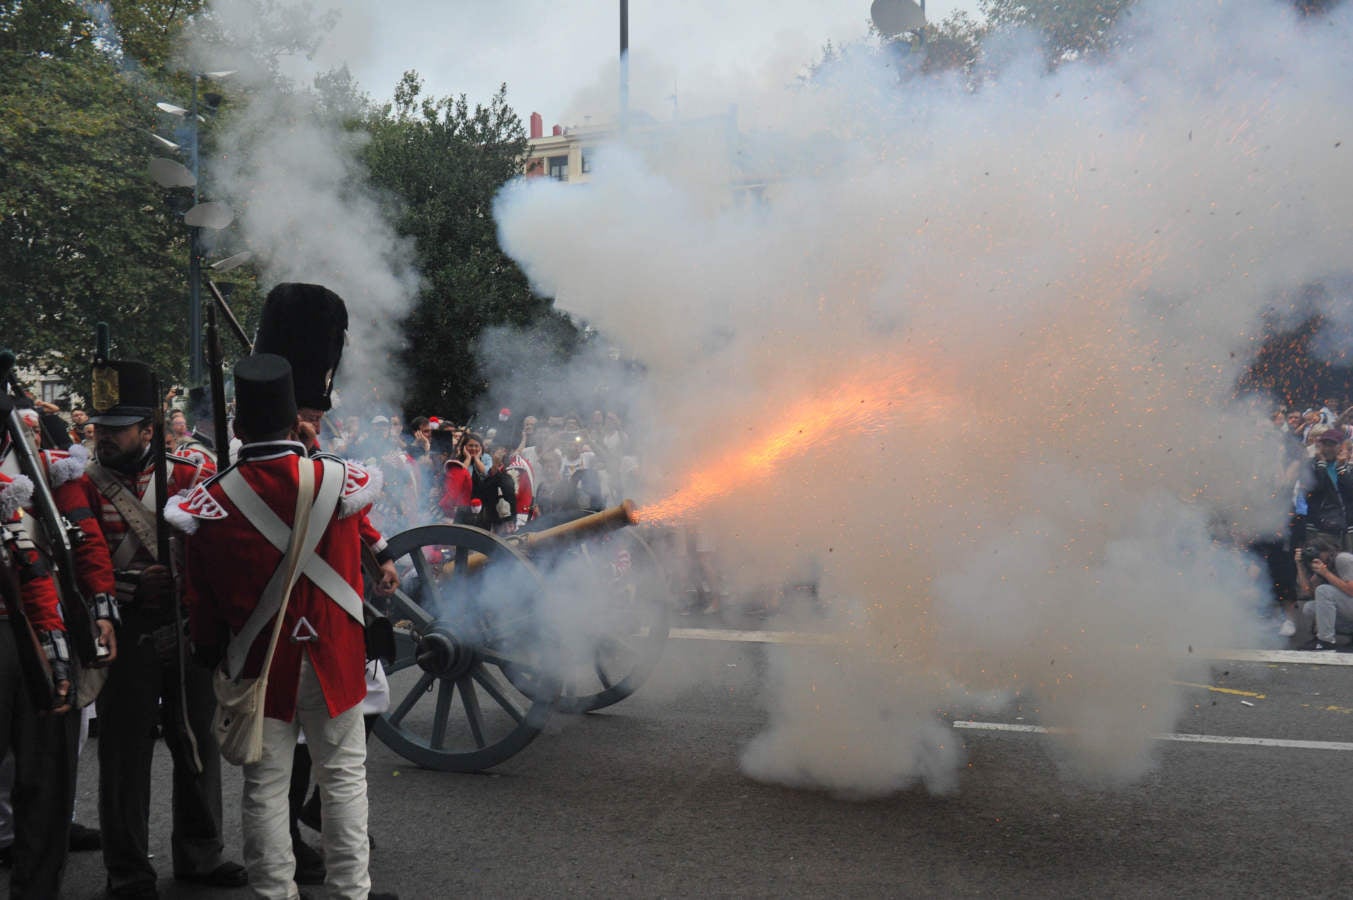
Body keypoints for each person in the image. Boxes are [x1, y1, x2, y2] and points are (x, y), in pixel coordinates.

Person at [175, 354, 397, 900]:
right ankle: (350, 892)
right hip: (336, 655)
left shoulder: (213, 498)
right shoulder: (341, 478)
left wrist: (211, 650)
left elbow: (200, 601)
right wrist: (310, 447)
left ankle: (275, 892)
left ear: (237, 427)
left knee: (265, 786)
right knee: (343, 779)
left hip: (259, 662)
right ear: (295, 421)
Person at [68, 359, 244, 899]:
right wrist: (129, 588)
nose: (104, 437)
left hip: (185, 626)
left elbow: (214, 548)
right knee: (124, 752)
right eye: (100, 427)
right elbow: (78, 558)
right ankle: (127, 869)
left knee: (196, 743)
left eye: (116, 428)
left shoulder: (190, 473)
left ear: (148, 428)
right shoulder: (81, 484)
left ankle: (199, 852)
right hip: (124, 628)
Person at [1293, 536, 1353, 650]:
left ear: (1328, 550)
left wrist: (1326, 574)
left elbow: (1351, 591)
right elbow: (1307, 591)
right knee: (1310, 607)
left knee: (1324, 590)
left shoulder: (1343, 559)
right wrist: (1299, 565)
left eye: (1317, 552)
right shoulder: (1323, 565)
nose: (1315, 557)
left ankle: (1326, 642)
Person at [1301, 427, 1353, 551]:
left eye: (1332, 445)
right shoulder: (1311, 465)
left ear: (1340, 446)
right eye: (1325, 444)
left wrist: (1341, 469)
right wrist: (1321, 465)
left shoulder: (1348, 467)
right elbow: (1316, 488)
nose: (1328, 449)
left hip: (1346, 525)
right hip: (1319, 526)